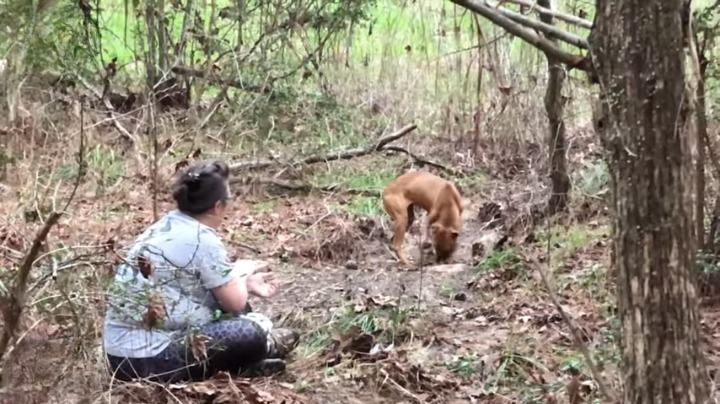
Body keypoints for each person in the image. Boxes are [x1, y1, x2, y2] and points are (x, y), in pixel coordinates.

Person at [103, 160, 299, 383]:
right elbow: (233, 304)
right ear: (218, 206)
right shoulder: (202, 238)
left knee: (240, 314)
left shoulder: (166, 225)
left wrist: (243, 283)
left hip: (119, 357)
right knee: (250, 331)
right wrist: (241, 273)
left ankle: (244, 361)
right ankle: (264, 348)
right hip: (153, 357)